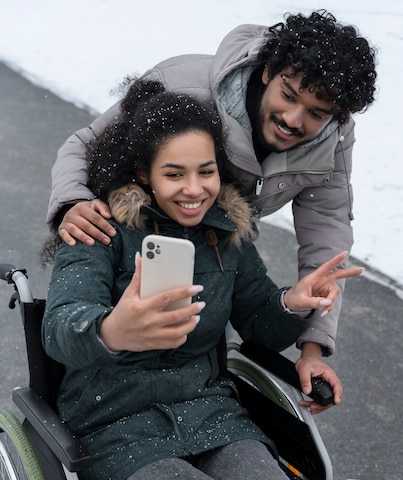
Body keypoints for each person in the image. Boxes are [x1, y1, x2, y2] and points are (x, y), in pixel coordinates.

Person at [42, 80, 363, 480]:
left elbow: (258, 321)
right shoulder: (99, 232)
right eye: (174, 173)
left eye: (206, 171)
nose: (195, 189)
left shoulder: (227, 235)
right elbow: (60, 329)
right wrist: (113, 329)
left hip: (211, 415)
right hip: (116, 428)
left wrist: (292, 301)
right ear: (143, 173)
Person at [45, 10, 377, 386]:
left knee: (199, 334)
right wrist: (73, 204)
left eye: (317, 113)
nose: (293, 118)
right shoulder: (180, 88)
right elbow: (85, 144)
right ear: (267, 70)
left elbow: (327, 228)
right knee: (119, 326)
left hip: (219, 235)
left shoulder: (332, 137)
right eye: (288, 95)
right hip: (125, 228)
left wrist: (312, 345)